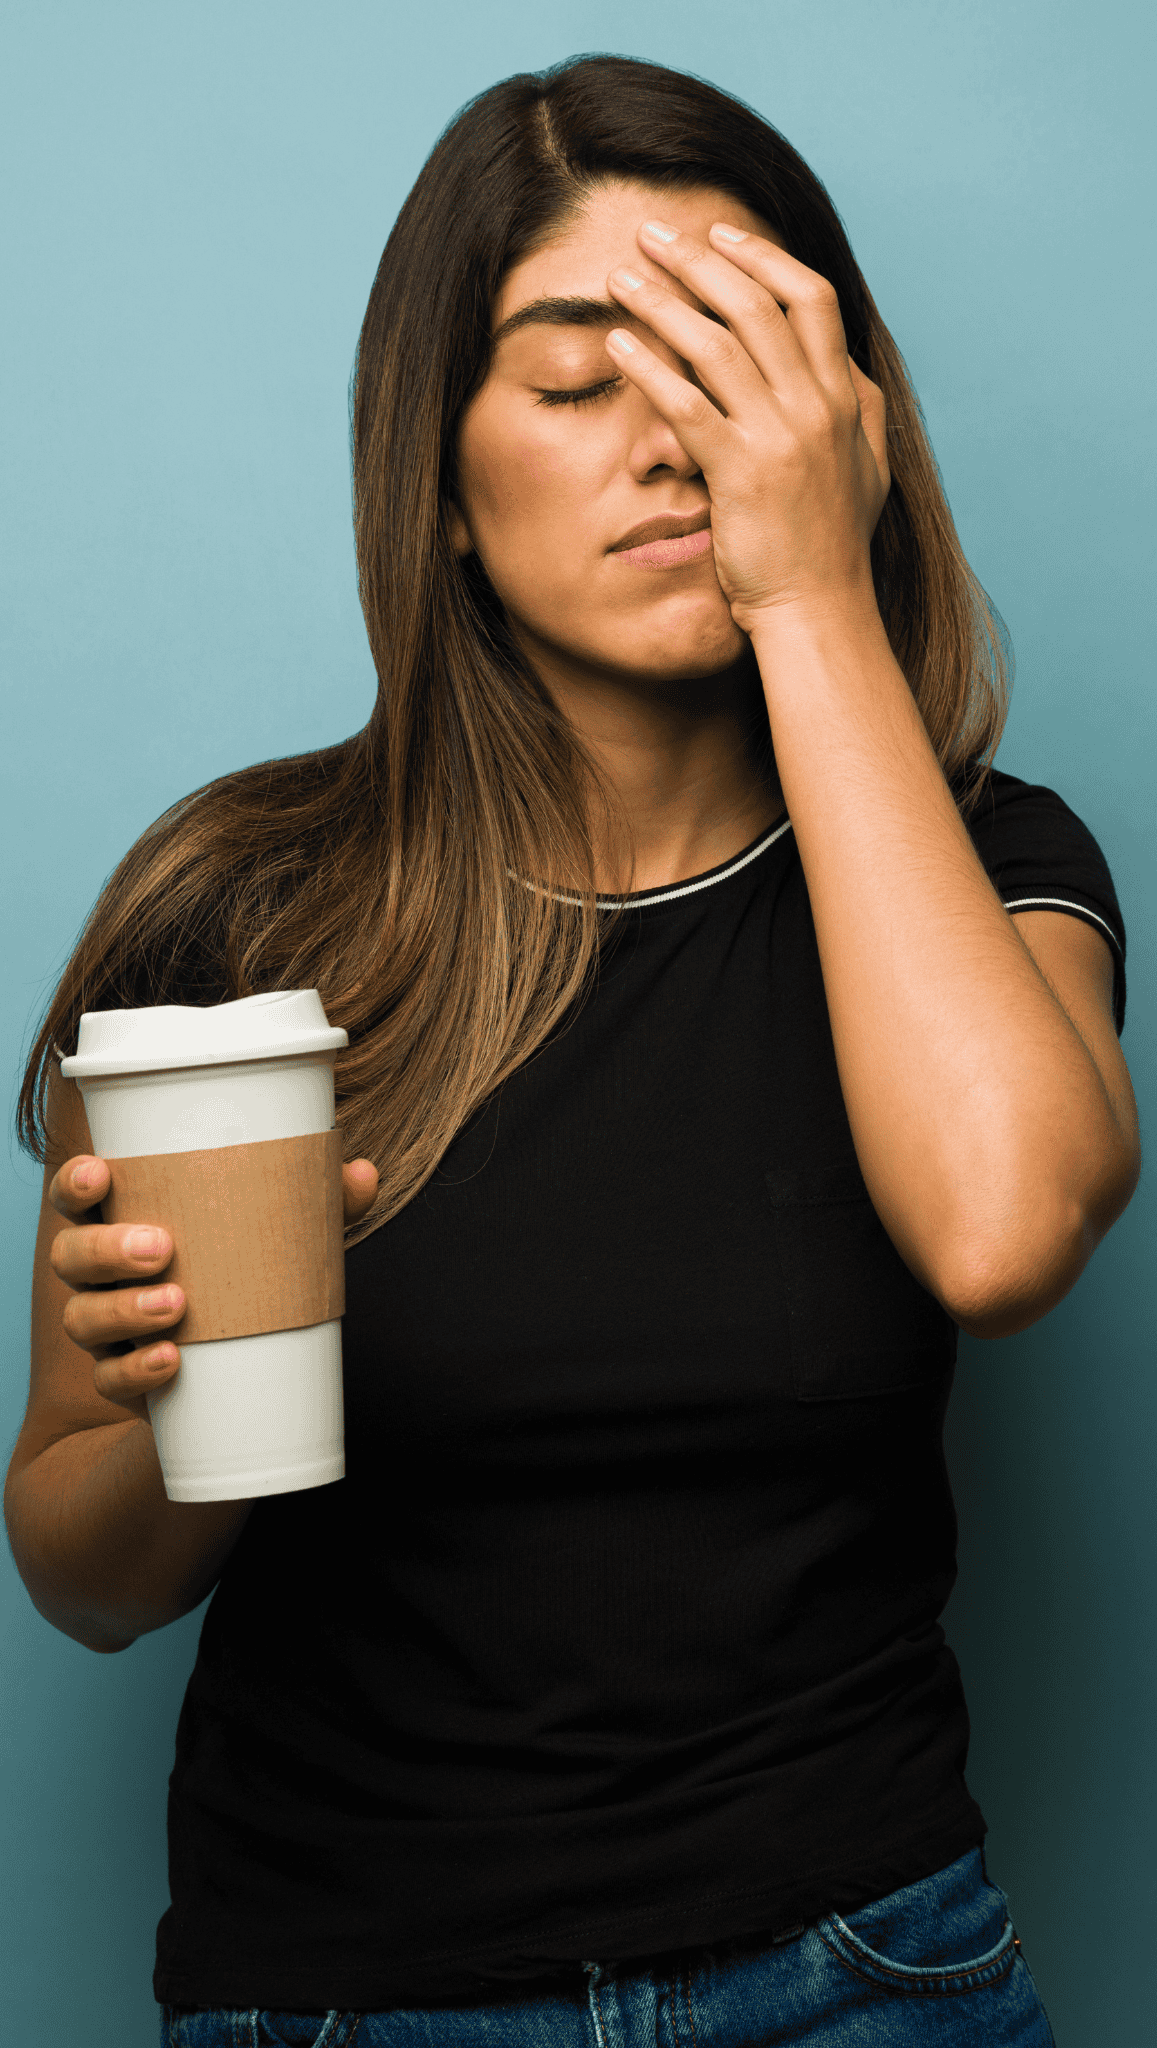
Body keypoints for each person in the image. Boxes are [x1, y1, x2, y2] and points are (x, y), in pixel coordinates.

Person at [4, 52, 1140, 2048]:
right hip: (348, 2005)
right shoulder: (244, 908)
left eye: (730, 366)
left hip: (867, 1971)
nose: (672, 443)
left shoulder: (988, 863)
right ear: (437, 476)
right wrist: (150, 1399)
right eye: (575, 371)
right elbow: (88, 1571)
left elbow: (1002, 1229)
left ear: (839, 427)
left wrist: (808, 592)